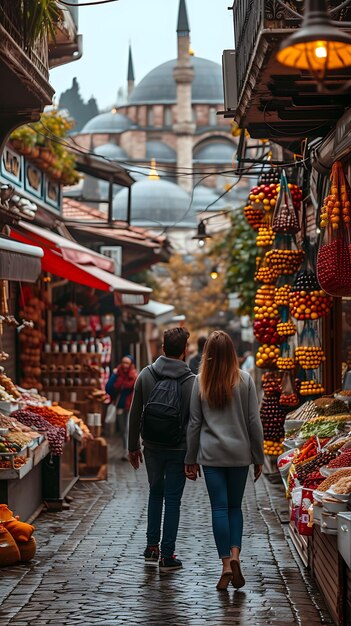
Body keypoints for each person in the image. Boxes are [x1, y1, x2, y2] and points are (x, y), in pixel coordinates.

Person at [184, 330, 264, 591]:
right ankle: (237, 555)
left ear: (208, 353)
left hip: (212, 456)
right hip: (240, 455)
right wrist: (258, 456)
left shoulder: (200, 381)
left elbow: (194, 424)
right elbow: (254, 421)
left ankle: (226, 565)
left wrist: (190, 458)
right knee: (234, 508)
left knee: (218, 509)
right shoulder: (245, 380)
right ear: (232, 352)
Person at [128, 327, 195, 572]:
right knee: (173, 500)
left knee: (155, 493)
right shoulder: (191, 381)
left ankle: (151, 547)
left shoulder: (146, 375)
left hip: (152, 447)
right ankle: (168, 554)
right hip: (179, 449)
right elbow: (193, 422)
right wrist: (193, 455)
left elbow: (135, 413)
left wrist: (132, 446)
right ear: (184, 351)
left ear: (163, 348)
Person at [105, 355, 137, 460]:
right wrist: (114, 375)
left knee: (128, 429)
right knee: (123, 430)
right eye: (123, 362)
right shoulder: (117, 373)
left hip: (130, 406)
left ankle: (130, 451)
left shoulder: (134, 375)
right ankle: (125, 450)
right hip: (119, 406)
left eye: (127, 363)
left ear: (131, 364)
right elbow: (108, 388)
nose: (125, 365)